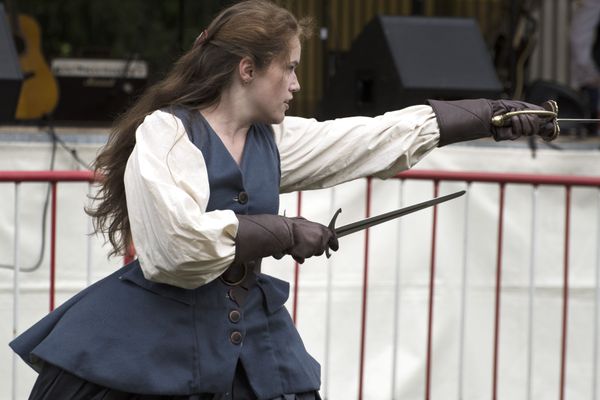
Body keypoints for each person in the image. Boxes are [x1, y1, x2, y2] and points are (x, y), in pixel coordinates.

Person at [10, 1, 558, 399]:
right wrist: (284, 232)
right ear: (247, 69)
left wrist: (489, 115)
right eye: (289, 67)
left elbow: (372, 136)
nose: (297, 82)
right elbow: (173, 246)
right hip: (150, 347)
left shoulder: (276, 141)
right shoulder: (166, 134)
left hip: (251, 342)